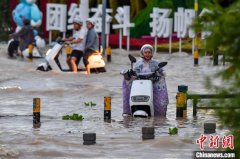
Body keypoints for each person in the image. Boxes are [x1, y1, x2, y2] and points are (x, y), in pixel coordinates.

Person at [122, 44, 169, 117]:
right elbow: (134, 71)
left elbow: (161, 70)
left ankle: (159, 115)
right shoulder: (138, 63)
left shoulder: (155, 63)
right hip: (140, 84)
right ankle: (128, 111)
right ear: (142, 53)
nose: (147, 54)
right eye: (146, 52)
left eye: (149, 52)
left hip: (153, 84)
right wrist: (129, 74)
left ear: (152, 53)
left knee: (159, 101)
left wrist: (162, 73)